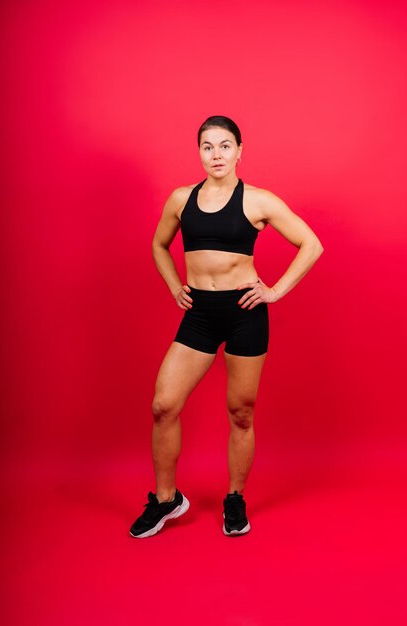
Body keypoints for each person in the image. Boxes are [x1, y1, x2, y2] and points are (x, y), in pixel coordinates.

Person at [129, 115, 324, 538]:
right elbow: (159, 245)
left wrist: (275, 291)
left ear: (239, 150)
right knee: (164, 405)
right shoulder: (181, 199)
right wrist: (173, 285)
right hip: (199, 313)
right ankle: (166, 500)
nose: (216, 154)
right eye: (207, 146)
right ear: (198, 152)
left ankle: (234, 497)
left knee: (241, 412)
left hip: (243, 313)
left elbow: (312, 244)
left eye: (224, 145)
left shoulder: (258, 200)